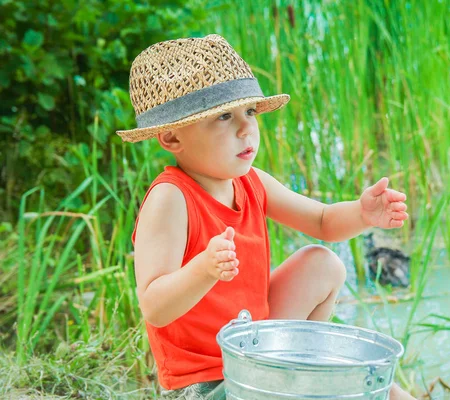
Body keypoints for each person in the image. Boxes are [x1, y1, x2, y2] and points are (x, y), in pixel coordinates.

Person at [117, 34, 413, 400]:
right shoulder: (170, 198)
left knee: (322, 264)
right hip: (208, 385)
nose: (246, 129)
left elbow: (322, 221)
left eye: (250, 112)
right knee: (367, 388)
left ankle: (306, 365)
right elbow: (155, 307)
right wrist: (203, 269)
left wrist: (362, 213)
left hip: (253, 356)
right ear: (172, 139)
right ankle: (309, 380)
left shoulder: (250, 182)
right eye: (224, 116)